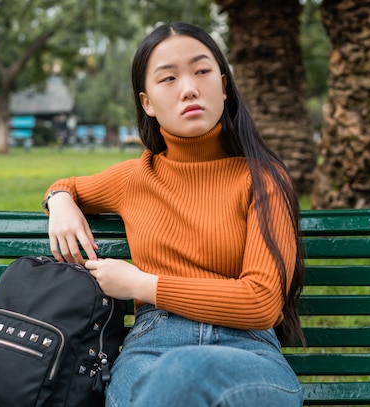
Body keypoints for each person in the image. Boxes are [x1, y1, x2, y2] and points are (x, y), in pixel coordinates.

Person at [42, 22, 305, 407]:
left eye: (202, 71)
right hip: (151, 346)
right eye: (169, 78)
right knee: (166, 381)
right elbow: (69, 185)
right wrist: (60, 199)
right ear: (147, 102)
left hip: (248, 352)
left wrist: (140, 285)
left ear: (224, 85)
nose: (189, 88)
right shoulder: (134, 177)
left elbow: (261, 302)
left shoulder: (262, 179)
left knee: (182, 374)